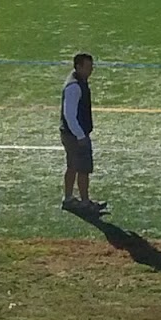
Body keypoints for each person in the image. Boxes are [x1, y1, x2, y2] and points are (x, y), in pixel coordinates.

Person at [59, 52, 106, 215]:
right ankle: (85, 202)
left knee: (72, 166)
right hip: (75, 135)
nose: (91, 70)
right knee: (83, 168)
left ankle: (69, 198)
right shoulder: (74, 87)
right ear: (78, 67)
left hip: (71, 133)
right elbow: (69, 115)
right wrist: (80, 136)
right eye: (88, 67)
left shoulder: (77, 82)